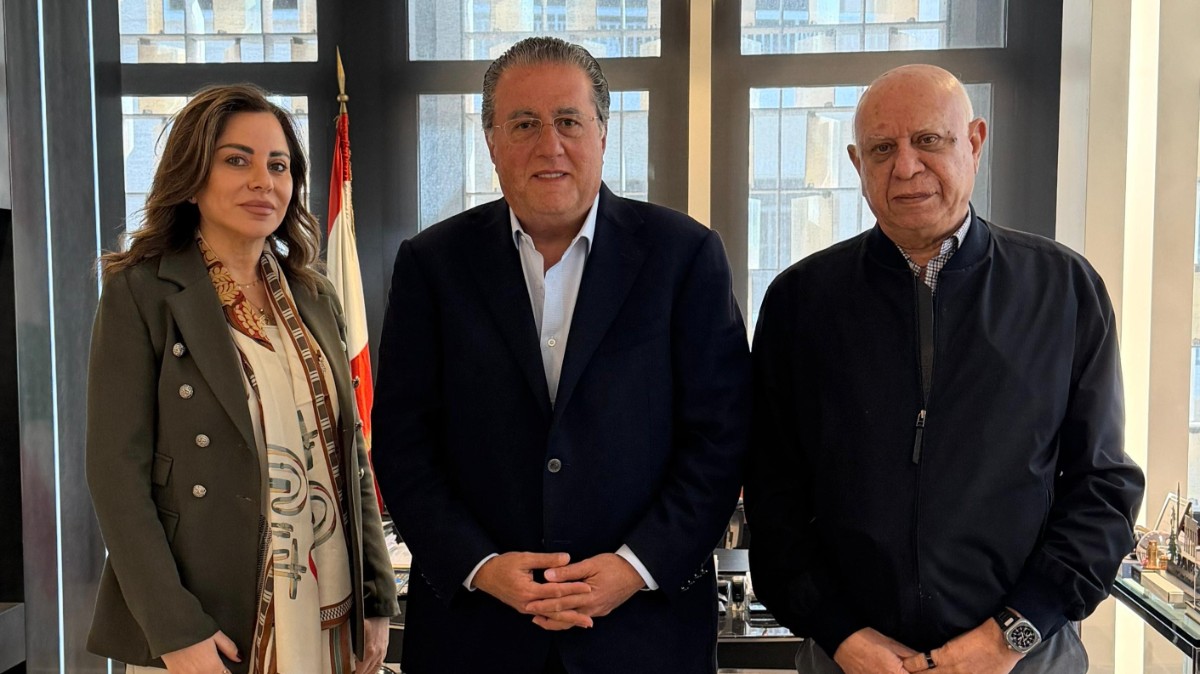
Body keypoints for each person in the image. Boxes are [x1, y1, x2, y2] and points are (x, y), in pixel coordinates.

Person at [745, 64, 1145, 674]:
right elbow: (773, 493)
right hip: (850, 659)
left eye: (929, 140)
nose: (906, 167)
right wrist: (840, 633)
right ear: (856, 163)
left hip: (1025, 655)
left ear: (975, 142)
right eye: (883, 149)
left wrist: (1009, 635)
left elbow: (1103, 488)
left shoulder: (1063, 290)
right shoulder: (801, 302)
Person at [371, 36, 751, 674]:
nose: (550, 145)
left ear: (603, 133)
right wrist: (481, 566)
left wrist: (634, 568)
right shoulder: (431, 265)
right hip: (476, 636)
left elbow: (721, 437)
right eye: (524, 124)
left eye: (569, 121)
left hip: (644, 636)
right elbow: (404, 443)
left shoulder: (684, 256)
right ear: (491, 142)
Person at [86, 83, 398, 674]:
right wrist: (175, 629)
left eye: (278, 166)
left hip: (329, 602)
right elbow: (116, 478)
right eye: (237, 160)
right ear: (192, 177)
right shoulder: (142, 292)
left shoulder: (314, 294)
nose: (264, 182)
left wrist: (376, 596)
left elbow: (349, 451)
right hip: (207, 620)